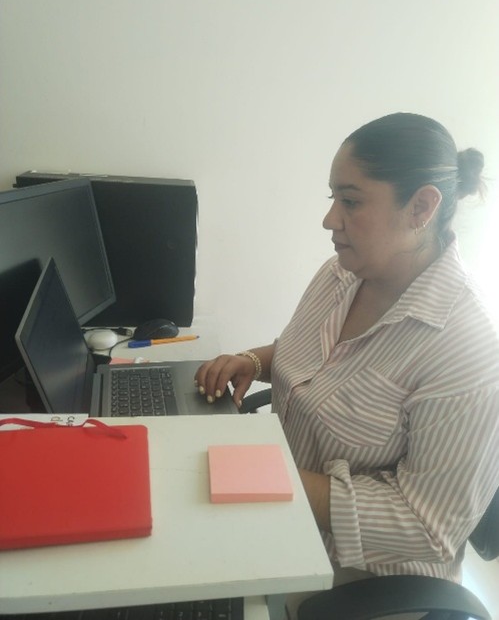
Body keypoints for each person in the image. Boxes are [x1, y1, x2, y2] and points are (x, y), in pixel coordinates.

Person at [195, 113, 499, 616]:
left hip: (359, 583)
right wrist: (251, 360)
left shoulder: (466, 349)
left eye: (351, 202)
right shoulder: (341, 273)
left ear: (421, 207)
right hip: (276, 513)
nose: (330, 219)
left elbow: (429, 528)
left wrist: (272, 475)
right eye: (332, 197)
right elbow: (309, 359)